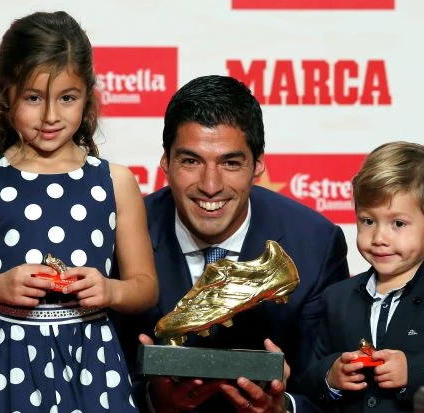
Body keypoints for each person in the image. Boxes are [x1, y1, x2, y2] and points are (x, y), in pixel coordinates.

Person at [0, 11, 157, 413]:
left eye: (67, 98)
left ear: (88, 96)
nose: (50, 116)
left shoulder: (116, 182)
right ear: (5, 95)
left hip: (89, 362)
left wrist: (110, 290)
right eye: (33, 98)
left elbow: (146, 287)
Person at [115, 75, 349, 413]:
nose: (210, 185)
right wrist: (152, 401)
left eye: (230, 163)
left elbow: (328, 387)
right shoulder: (120, 235)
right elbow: (92, 380)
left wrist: (284, 408)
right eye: (191, 161)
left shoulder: (314, 244)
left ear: (258, 165)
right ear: (166, 162)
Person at [300, 141, 424, 412]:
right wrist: (331, 376)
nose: (380, 238)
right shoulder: (336, 298)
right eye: (368, 221)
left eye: (398, 224)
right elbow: (308, 376)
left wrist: (415, 370)